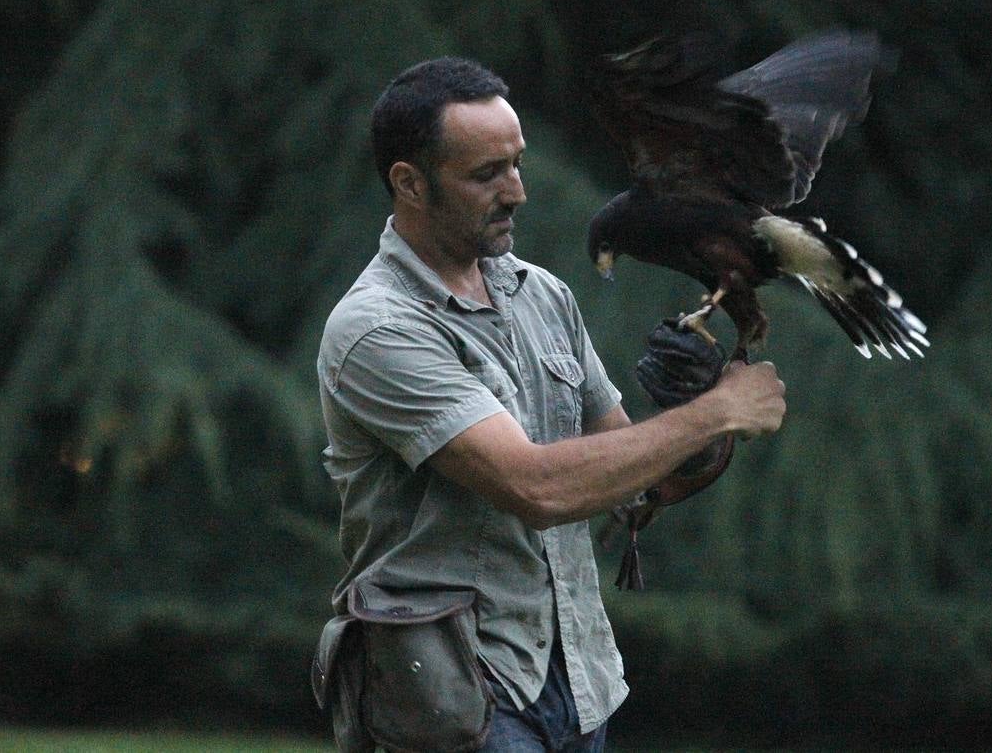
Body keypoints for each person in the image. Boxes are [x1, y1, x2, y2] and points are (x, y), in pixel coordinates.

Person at [312, 57, 786, 752]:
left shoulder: (542, 296)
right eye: (486, 174)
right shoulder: (378, 330)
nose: (517, 192)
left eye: (517, 164)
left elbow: (637, 485)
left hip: (579, 684)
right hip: (459, 696)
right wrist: (714, 414)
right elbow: (534, 486)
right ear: (408, 183)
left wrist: (708, 414)